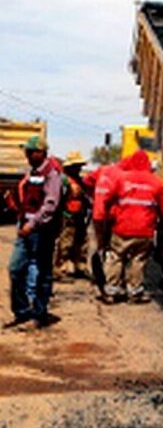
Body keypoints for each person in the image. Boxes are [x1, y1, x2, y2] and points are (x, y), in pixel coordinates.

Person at [4, 136, 63, 329]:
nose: (27, 155)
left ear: (41, 152)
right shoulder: (32, 173)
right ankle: (22, 312)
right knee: (15, 268)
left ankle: (39, 315)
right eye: (26, 152)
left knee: (42, 272)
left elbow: (50, 204)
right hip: (26, 227)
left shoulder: (51, 174)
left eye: (30, 152)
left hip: (42, 230)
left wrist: (34, 222)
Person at [101, 150, 163, 304]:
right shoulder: (156, 182)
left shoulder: (121, 179)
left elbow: (107, 199)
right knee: (137, 260)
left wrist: (108, 217)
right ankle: (134, 291)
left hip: (122, 228)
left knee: (116, 257)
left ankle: (112, 291)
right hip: (144, 230)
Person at [54, 151, 90, 280]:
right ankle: (60, 269)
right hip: (67, 216)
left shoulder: (80, 180)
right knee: (65, 242)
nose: (79, 168)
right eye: (76, 165)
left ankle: (79, 266)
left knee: (82, 241)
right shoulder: (63, 180)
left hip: (80, 216)